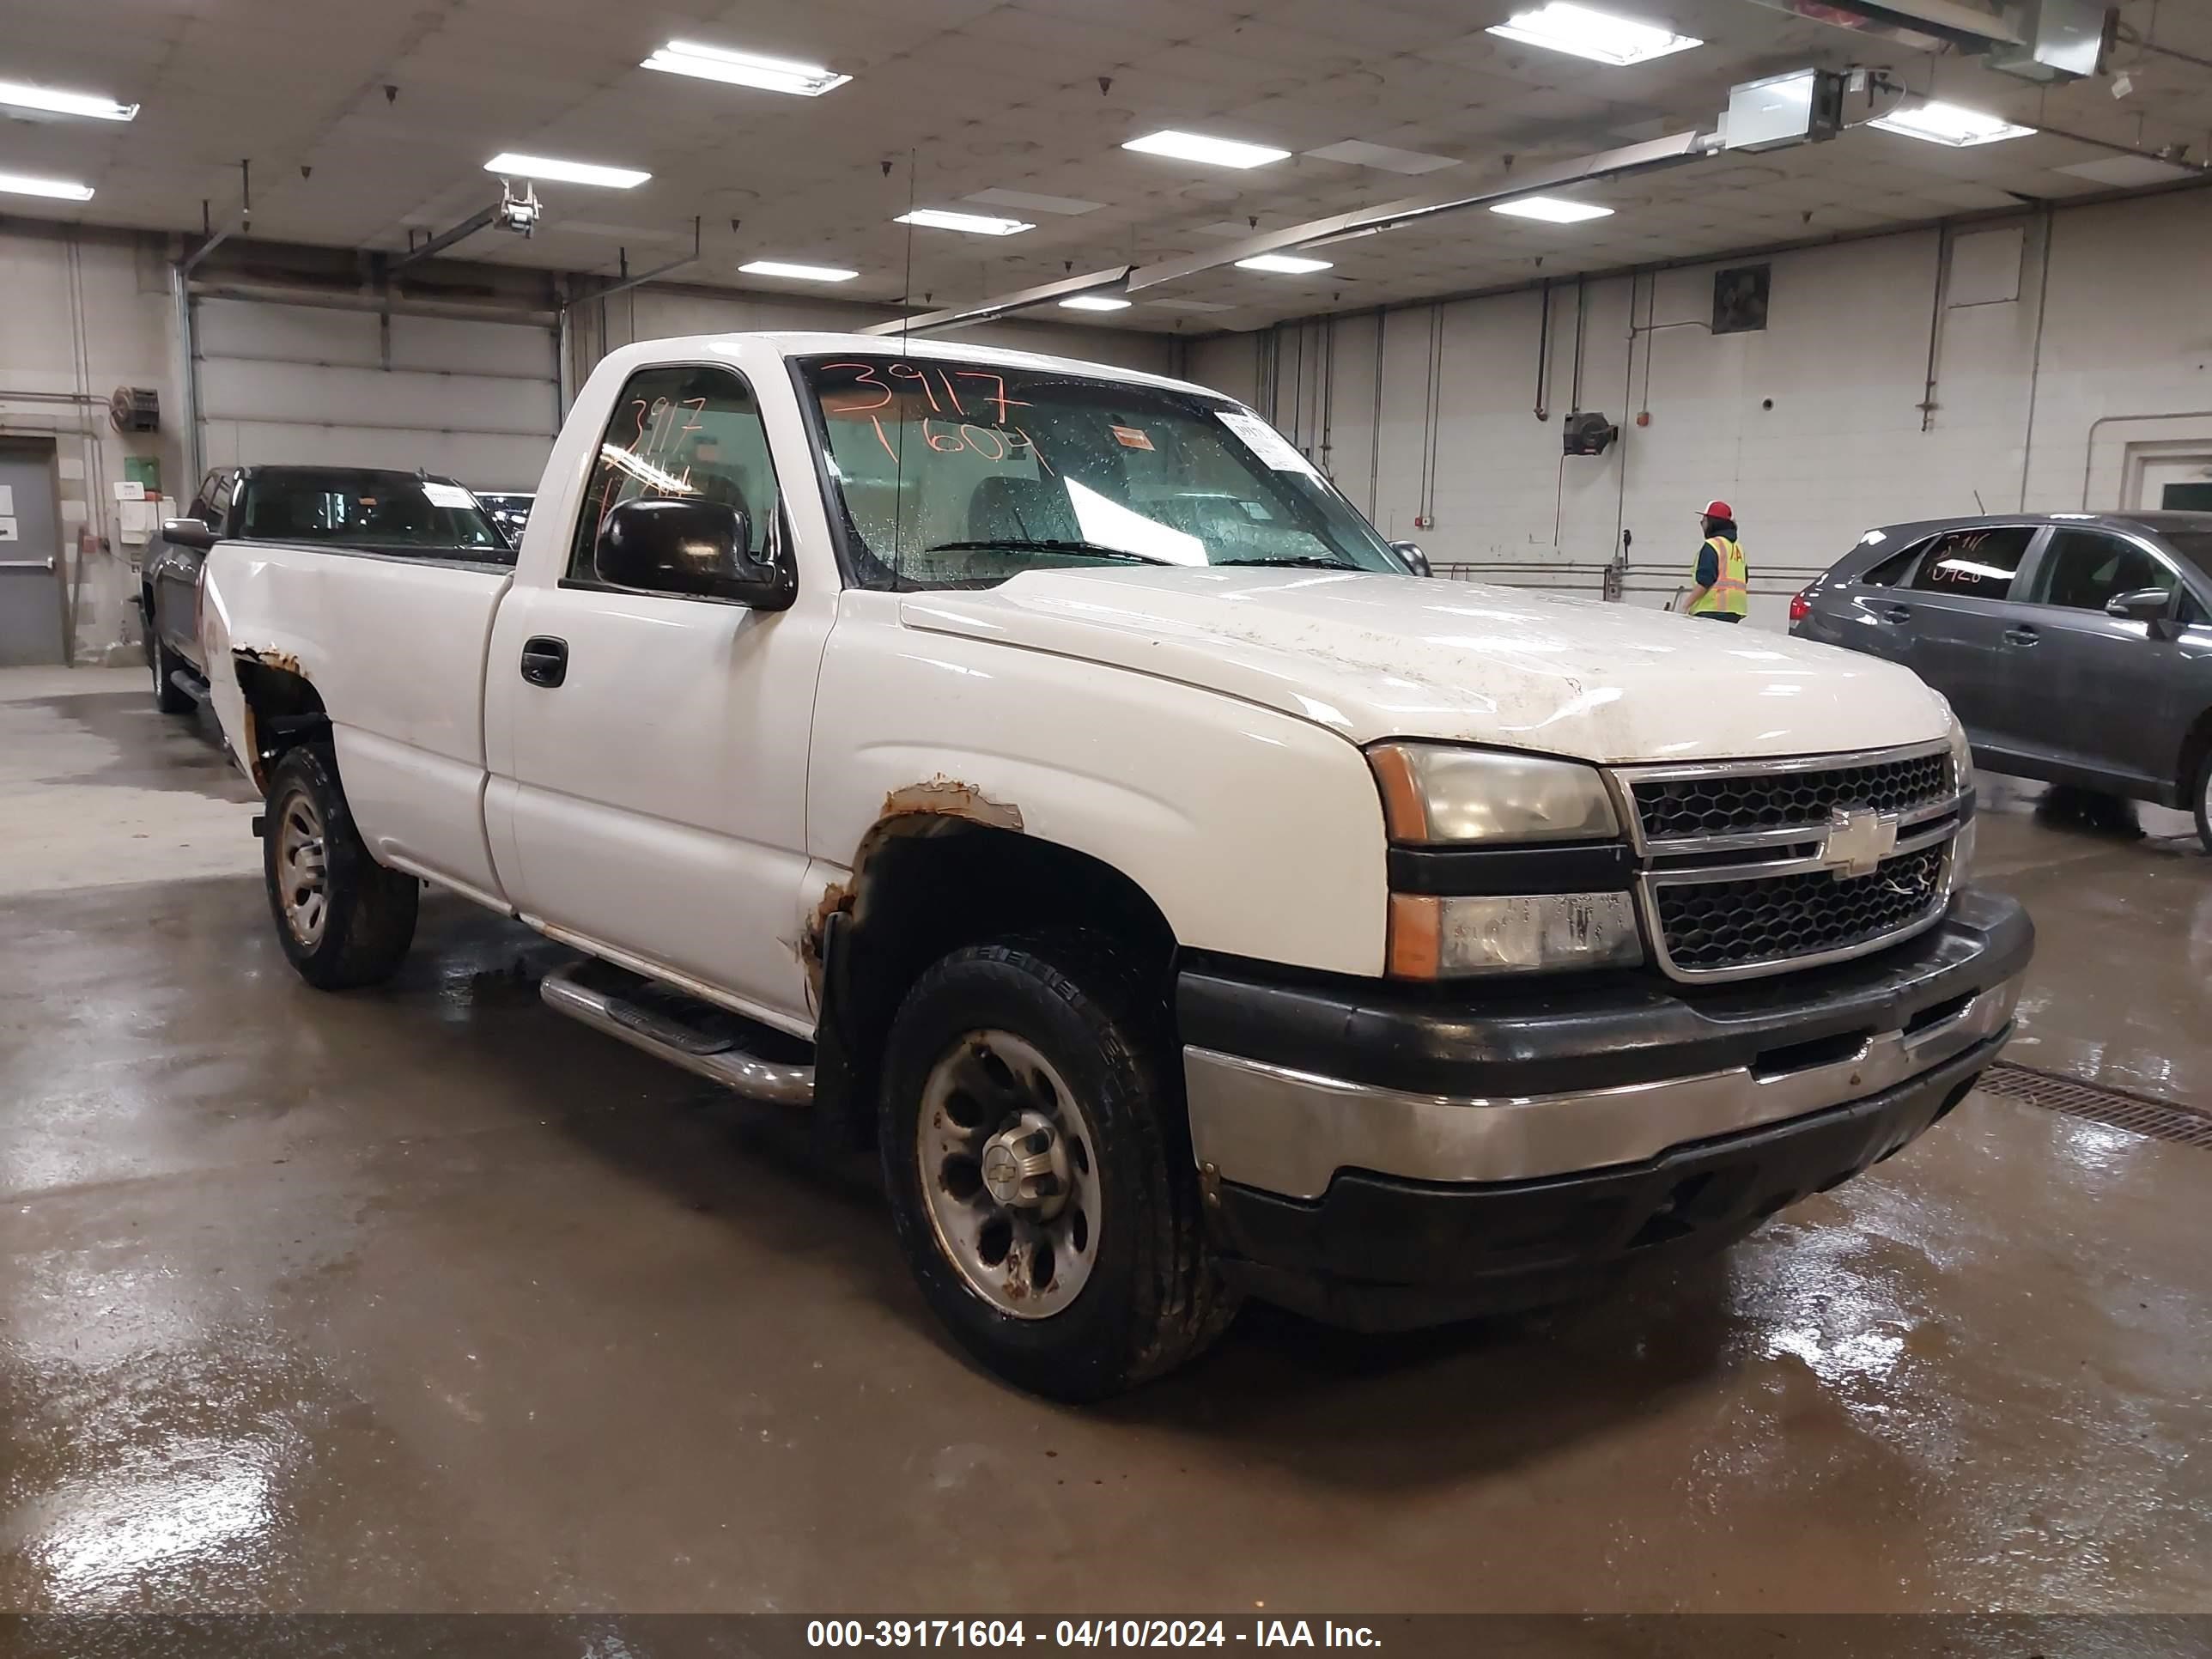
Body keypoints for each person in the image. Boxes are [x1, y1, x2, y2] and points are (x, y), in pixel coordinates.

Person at [1684, 499, 1747, 623]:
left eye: (1704, 521)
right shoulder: (1738, 548)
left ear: (1712, 523)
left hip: (1711, 609)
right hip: (1735, 611)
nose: (1701, 524)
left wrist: (1685, 605)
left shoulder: (1712, 545)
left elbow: (1705, 581)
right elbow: (1745, 577)